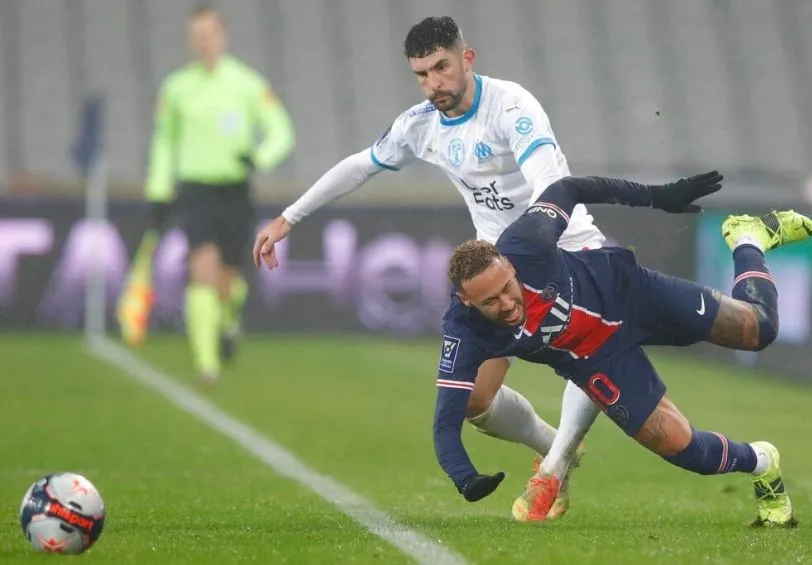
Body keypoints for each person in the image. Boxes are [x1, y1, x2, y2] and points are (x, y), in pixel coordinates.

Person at [254, 16, 601, 518]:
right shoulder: (421, 125)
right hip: (497, 270)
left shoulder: (511, 105)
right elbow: (360, 164)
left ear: (467, 58)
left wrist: (538, 247)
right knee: (474, 401)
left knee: (591, 362)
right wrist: (289, 217)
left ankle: (557, 465)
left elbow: (550, 184)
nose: (433, 83)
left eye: (441, 67)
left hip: (566, 249)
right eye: (421, 74)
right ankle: (554, 446)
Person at [436, 170, 812, 528]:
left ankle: (749, 238)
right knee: (685, 450)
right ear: (467, 302)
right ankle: (763, 461)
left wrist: (658, 196)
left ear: (509, 268)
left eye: (507, 287)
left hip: (634, 294)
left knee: (758, 330)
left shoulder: (527, 243)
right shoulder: (464, 332)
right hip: (599, 360)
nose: (507, 303)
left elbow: (568, 188)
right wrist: (466, 478)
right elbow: (446, 422)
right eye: (491, 301)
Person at [139, 5, 296, 386]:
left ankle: (228, 321)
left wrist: (259, 156)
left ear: (222, 36)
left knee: (230, 279)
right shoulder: (176, 88)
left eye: (209, 33)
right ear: (190, 41)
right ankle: (206, 365)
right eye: (197, 35)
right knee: (201, 268)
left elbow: (281, 131)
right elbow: (164, 142)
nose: (204, 41)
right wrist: (158, 190)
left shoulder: (247, 84)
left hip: (235, 190)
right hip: (194, 191)